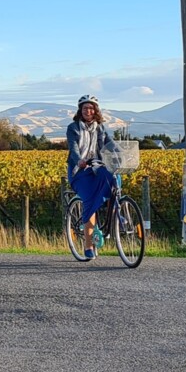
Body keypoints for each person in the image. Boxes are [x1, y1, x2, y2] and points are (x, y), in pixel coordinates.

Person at [66, 94, 119, 259]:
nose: (88, 111)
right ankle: (88, 245)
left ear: (96, 110)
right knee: (90, 198)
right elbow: (73, 148)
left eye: (91, 108)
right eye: (85, 108)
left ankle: (116, 208)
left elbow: (111, 145)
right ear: (80, 111)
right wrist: (79, 160)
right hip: (80, 171)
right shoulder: (73, 128)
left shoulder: (100, 128)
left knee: (113, 179)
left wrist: (122, 154)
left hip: (96, 167)